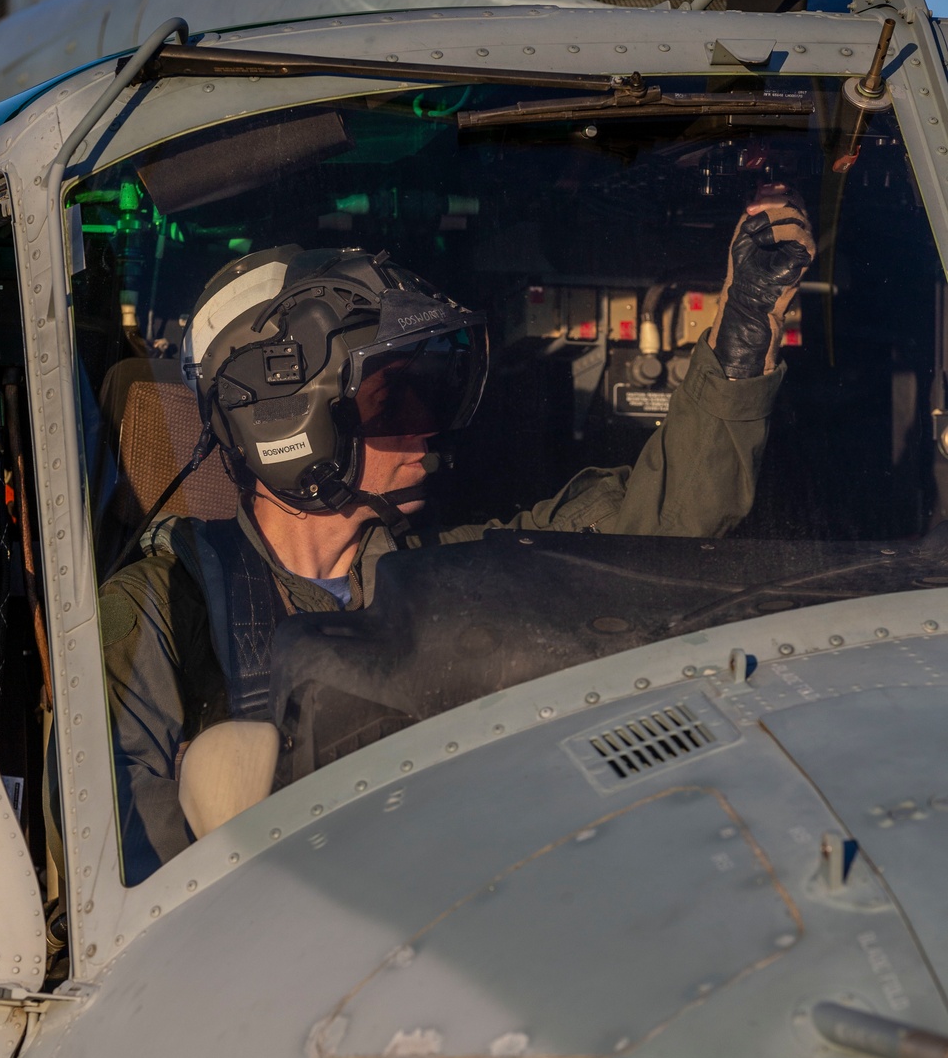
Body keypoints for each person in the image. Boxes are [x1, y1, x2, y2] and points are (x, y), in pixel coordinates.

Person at [100, 193, 815, 881]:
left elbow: (660, 519)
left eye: (434, 391)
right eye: (395, 398)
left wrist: (746, 327)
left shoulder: (442, 577)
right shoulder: (162, 608)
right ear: (283, 417)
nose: (426, 426)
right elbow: (123, 858)